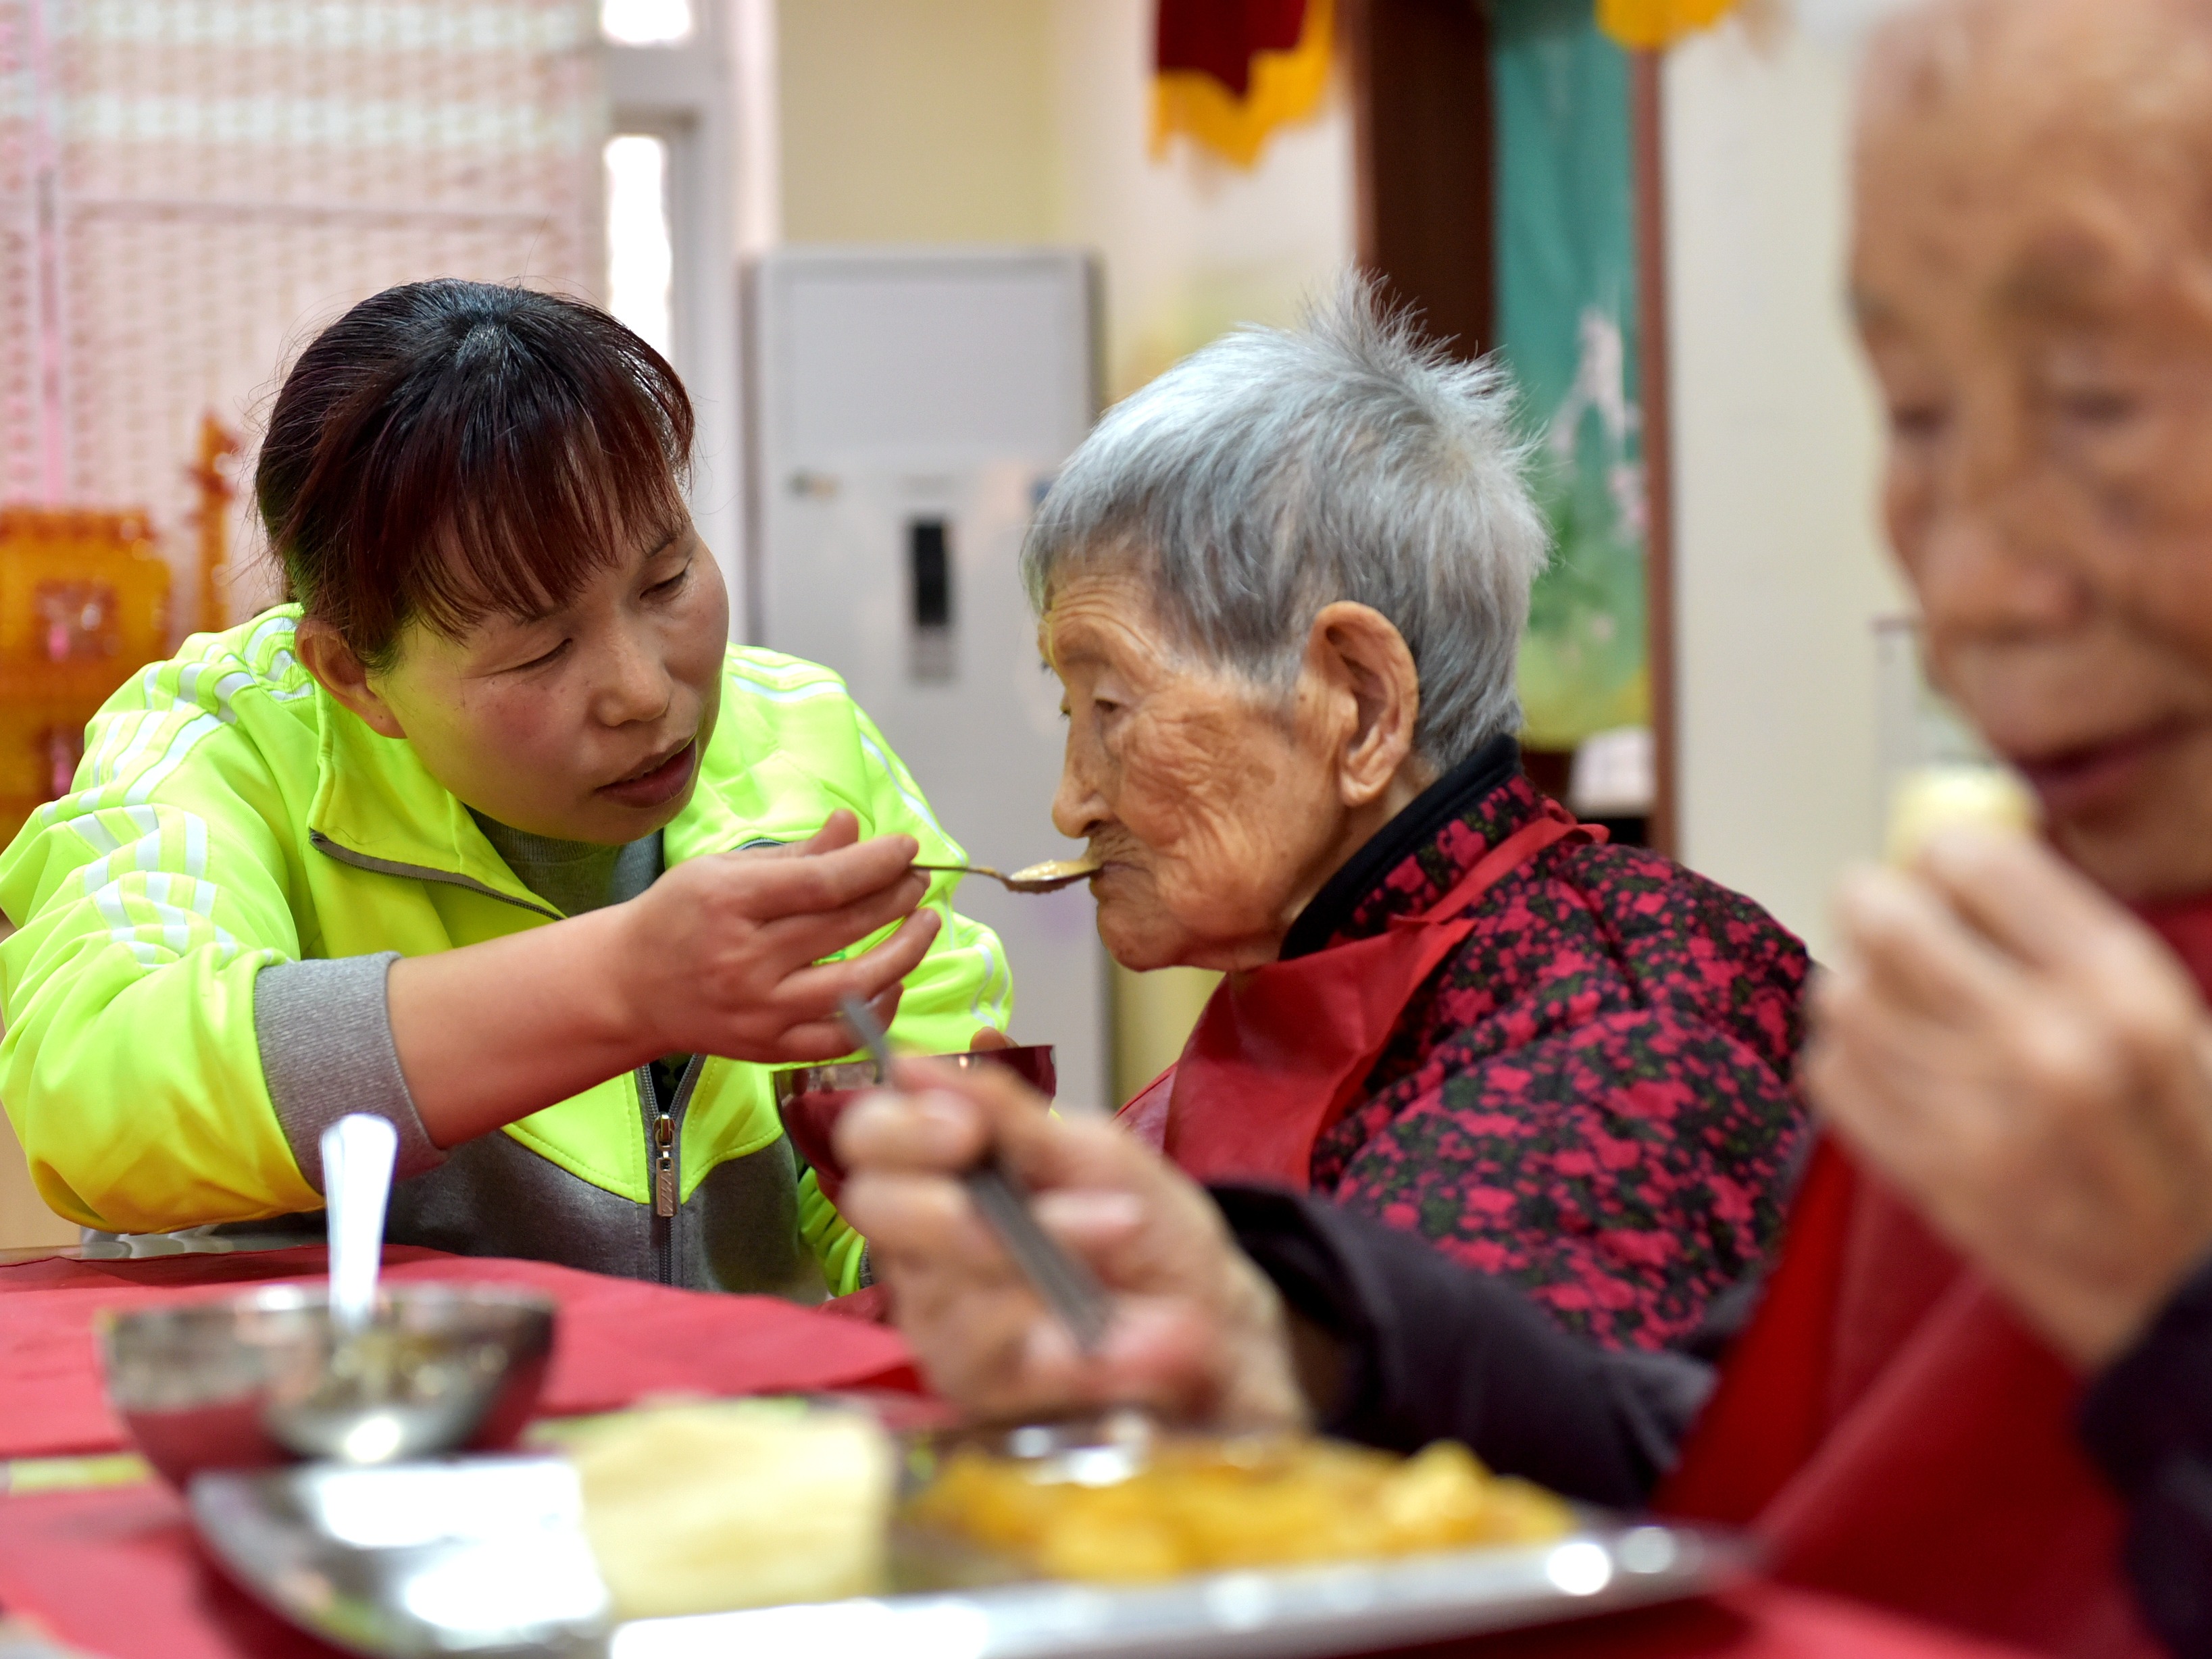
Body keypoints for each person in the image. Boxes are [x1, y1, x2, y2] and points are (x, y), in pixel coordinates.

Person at [834, 1, 2212, 1652]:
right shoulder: (2066, 956)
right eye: (1914, 412)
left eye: (2094, 402)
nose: (1971, 585)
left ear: (1355, 699)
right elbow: (1721, 1472)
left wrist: (2173, 1328)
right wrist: (1277, 1328)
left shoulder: (1639, 1001)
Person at [0, 280, 1011, 1299]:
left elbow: (902, 1148)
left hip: (734, 1435)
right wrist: (620, 986)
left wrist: (937, 1257)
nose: (643, 691)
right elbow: (101, 1086)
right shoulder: (216, 744)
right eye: (537, 650)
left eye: (665, 583)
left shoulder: (802, 734)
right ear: (352, 673)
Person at [1027, 286, 1809, 1356]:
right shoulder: (1348, 953)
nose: (1069, 801)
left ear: (1359, 705)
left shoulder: (1606, 1059)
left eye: (1111, 710)